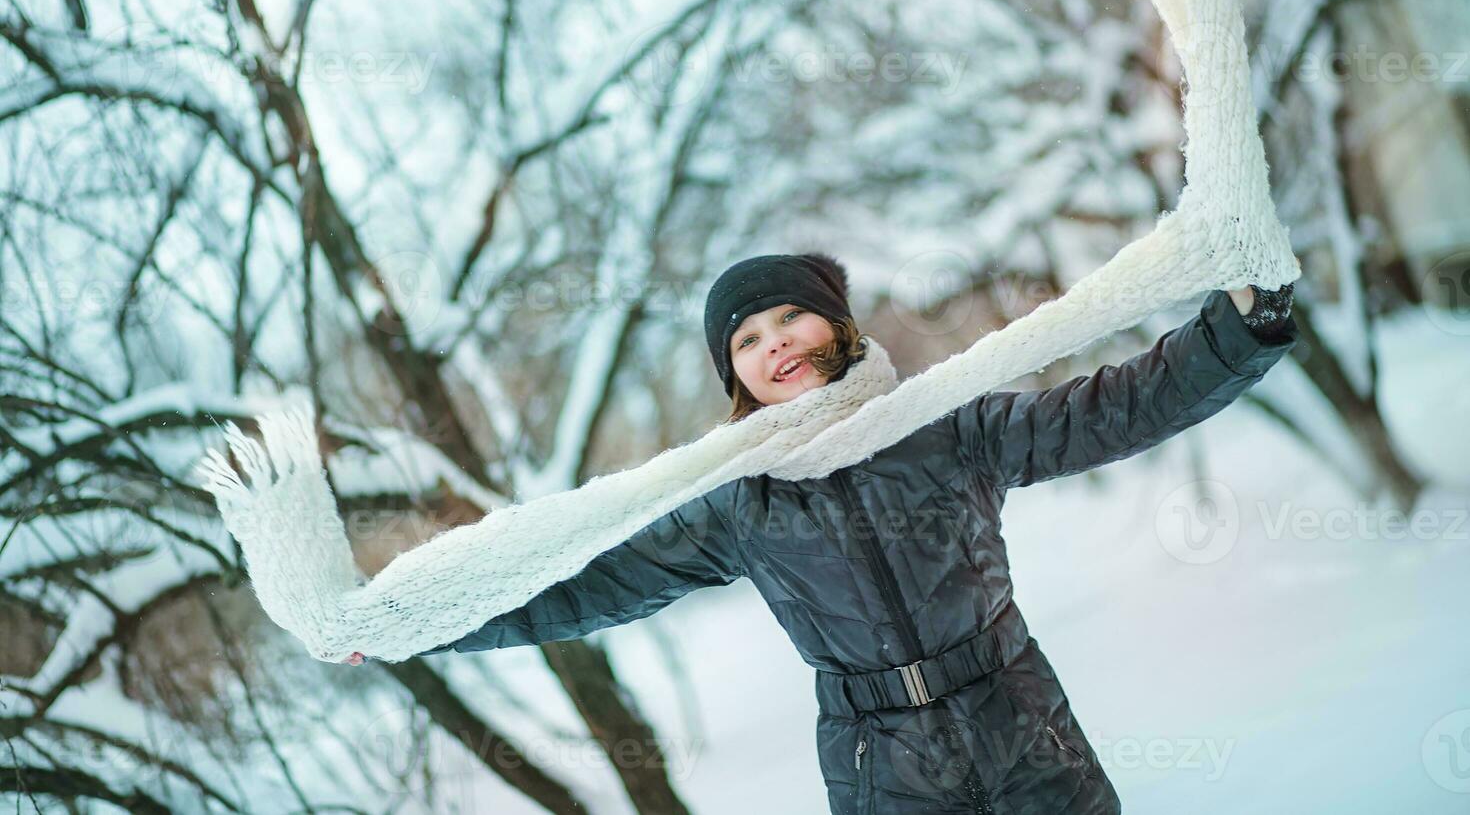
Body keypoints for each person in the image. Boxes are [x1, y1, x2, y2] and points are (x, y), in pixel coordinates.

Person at [385, 252, 1298, 814]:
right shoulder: (744, 500)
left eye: (790, 316)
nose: (773, 345)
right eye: (745, 340)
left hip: (1023, 726)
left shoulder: (942, 427)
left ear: (837, 325)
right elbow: (589, 585)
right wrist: (423, 621)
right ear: (733, 375)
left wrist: (1240, 329)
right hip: (882, 773)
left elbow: (1108, 411)